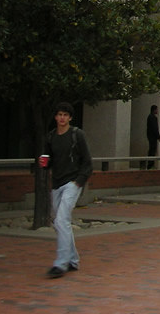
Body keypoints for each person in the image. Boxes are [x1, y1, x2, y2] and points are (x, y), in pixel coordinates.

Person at [42, 101, 92, 279]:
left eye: (65, 115)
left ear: (70, 117)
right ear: (55, 117)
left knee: (62, 219)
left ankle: (60, 264)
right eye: (59, 114)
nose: (62, 118)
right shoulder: (50, 137)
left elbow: (87, 162)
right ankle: (72, 260)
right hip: (56, 183)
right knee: (60, 223)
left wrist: (79, 181)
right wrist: (44, 164)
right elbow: (47, 159)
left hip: (72, 182)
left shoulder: (77, 135)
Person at [146, 105, 160, 169]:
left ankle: (150, 163)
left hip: (150, 136)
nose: (157, 111)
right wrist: (158, 137)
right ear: (154, 110)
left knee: (151, 150)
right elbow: (155, 128)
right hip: (152, 137)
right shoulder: (153, 118)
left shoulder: (149, 117)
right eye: (156, 110)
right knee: (152, 150)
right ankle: (150, 164)